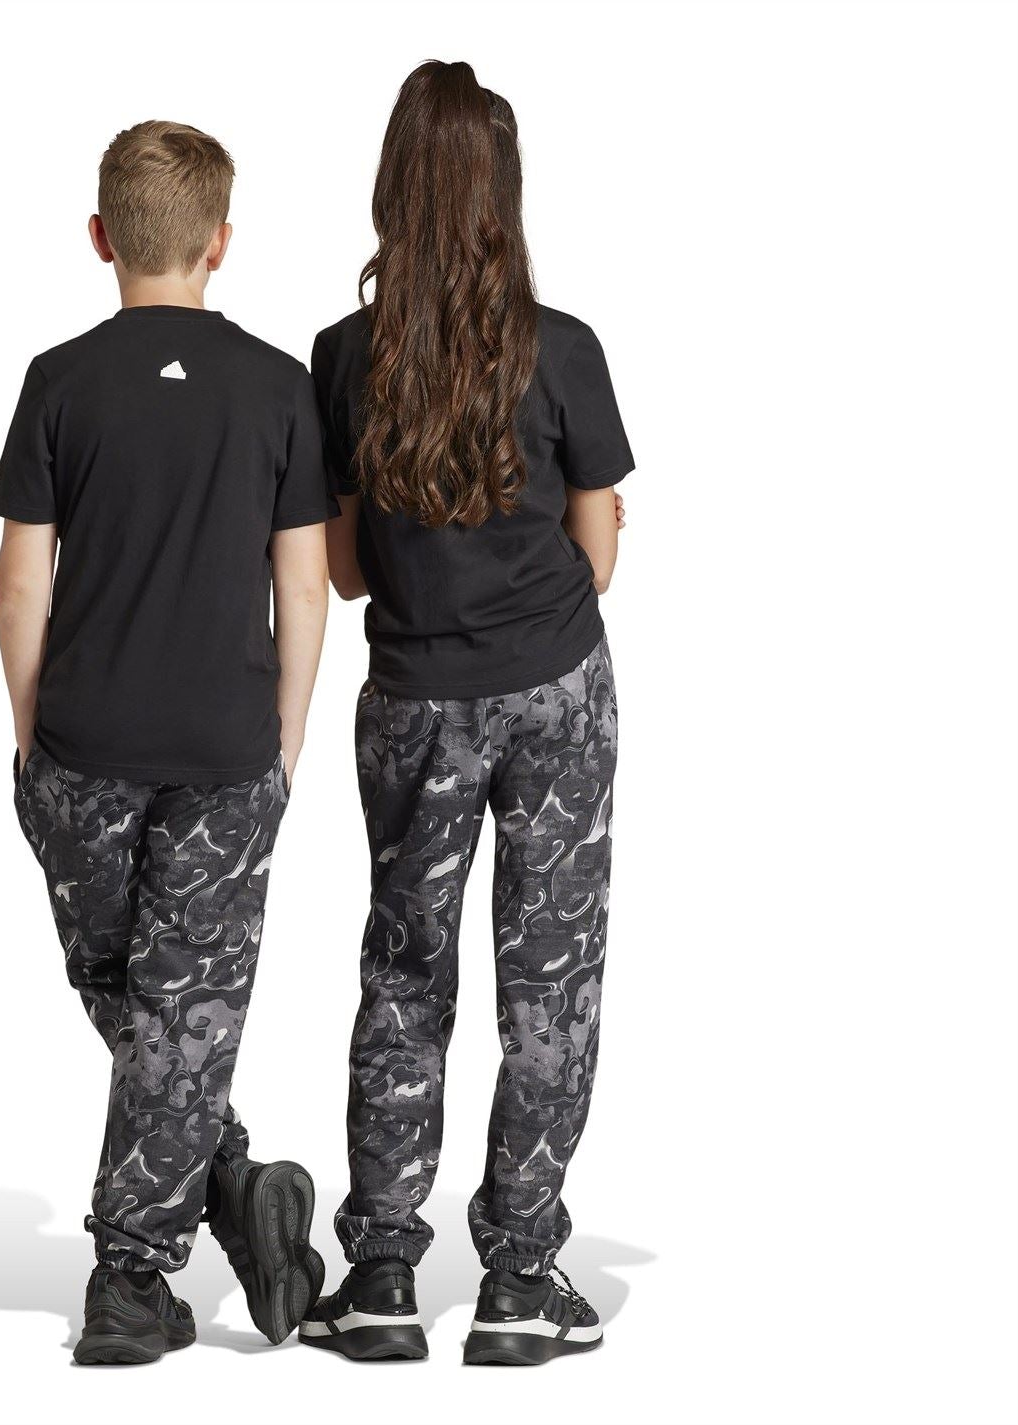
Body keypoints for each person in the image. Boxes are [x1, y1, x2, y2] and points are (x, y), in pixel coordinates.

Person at [301, 62, 633, 1367]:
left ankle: (382, 1272)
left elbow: (342, 571)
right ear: (504, 192)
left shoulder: (343, 359)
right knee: (549, 984)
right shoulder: (565, 350)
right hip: (555, 695)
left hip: (413, 703)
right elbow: (597, 556)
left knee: (404, 972)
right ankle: (520, 1282)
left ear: (395, 187)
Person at [0, 120, 331, 1366]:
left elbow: (19, 581)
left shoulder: (59, 380)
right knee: (169, 1006)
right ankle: (230, 1190)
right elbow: (306, 585)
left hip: (82, 743)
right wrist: (287, 742)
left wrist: (31, 736)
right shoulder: (279, 386)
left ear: (101, 238)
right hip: (227, 747)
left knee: (141, 997)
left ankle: (130, 1277)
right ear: (220, 243)